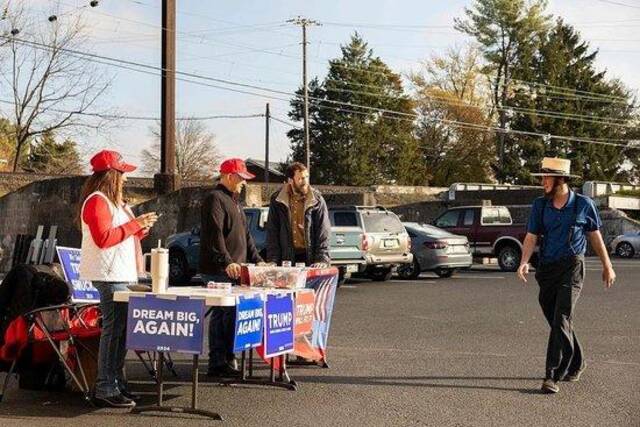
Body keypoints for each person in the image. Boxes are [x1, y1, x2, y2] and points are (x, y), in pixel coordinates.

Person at [517, 157, 615, 394]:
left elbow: (595, 236)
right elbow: (531, 236)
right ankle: (578, 361)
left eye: (546, 178)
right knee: (558, 320)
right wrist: (523, 262)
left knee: (561, 317)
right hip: (547, 269)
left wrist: (607, 265)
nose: (543, 183)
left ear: (561, 179)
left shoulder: (583, 204)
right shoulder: (540, 205)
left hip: (572, 266)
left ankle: (553, 375)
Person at [78, 150, 158, 408]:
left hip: (119, 273)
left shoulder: (113, 202)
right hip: (109, 274)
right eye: (122, 173)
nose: (125, 178)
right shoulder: (97, 201)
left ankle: (114, 382)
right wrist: (136, 226)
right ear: (112, 174)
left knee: (121, 330)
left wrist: (139, 230)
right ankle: (106, 385)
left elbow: (119, 236)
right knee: (114, 330)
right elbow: (103, 239)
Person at [200, 158, 264, 377]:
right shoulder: (214, 199)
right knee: (222, 314)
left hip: (235, 269)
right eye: (241, 178)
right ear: (228, 176)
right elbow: (214, 235)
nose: (244, 183)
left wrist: (258, 261)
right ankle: (218, 361)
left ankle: (228, 357)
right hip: (218, 269)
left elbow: (246, 236)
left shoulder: (235, 202)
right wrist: (227, 262)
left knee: (231, 315)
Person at [266, 162, 331, 267]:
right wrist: (273, 260)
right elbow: (273, 232)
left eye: (306, 177)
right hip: (286, 259)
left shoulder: (317, 200)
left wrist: (322, 259)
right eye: (300, 178)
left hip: (311, 258)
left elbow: (323, 232)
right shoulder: (277, 200)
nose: (305, 182)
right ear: (290, 180)